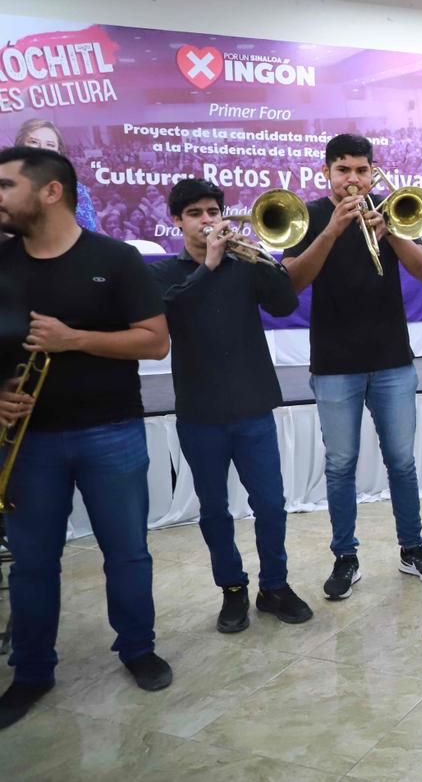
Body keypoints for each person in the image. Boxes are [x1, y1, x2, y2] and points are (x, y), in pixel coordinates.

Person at [0, 146, 172, 730]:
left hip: (111, 431)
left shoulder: (116, 259)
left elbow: (154, 341)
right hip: (28, 442)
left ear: (50, 192)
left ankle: (138, 649)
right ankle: (30, 672)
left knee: (127, 552)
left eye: (7, 185)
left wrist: (74, 339)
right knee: (32, 564)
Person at [282, 133, 422, 601]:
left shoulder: (392, 208)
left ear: (373, 173)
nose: (352, 179)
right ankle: (345, 557)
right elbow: (292, 283)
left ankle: (412, 548)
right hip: (335, 363)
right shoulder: (308, 216)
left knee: (402, 461)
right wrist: (332, 231)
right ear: (326, 173)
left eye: (361, 170)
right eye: (343, 170)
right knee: (340, 465)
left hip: (392, 359)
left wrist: (389, 231)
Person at [149, 179, 313, 633]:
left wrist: (261, 257)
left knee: (272, 505)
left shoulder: (244, 264)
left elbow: (285, 304)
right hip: (200, 411)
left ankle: (274, 586)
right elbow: (170, 312)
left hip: (253, 404)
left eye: (213, 211)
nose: (207, 221)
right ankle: (233, 588)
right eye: (195, 213)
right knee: (215, 510)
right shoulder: (164, 273)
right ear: (177, 220)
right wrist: (208, 266)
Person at [13, 118, 98, 232]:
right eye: (34, 142)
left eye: (50, 145)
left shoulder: (75, 190)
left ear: (58, 152)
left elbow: (87, 234)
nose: (42, 149)